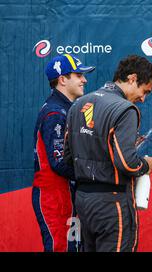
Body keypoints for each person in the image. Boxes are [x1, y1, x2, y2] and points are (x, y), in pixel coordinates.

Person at [63, 54, 152, 252]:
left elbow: (68, 157)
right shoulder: (126, 109)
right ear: (132, 78)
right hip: (113, 203)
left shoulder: (79, 103)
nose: (143, 98)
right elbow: (127, 163)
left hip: (83, 201)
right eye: (145, 91)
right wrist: (145, 165)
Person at [32, 53, 95, 252]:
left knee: (73, 248)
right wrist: (94, 175)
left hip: (67, 192)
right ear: (62, 80)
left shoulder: (67, 109)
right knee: (61, 248)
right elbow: (58, 162)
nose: (84, 80)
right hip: (54, 196)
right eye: (78, 75)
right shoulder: (54, 113)